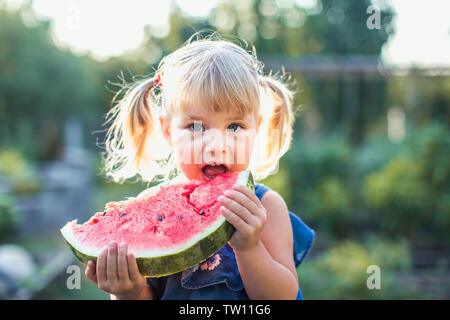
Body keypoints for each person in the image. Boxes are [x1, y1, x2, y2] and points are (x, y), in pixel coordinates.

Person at [85, 34, 315, 300]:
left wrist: (250, 249)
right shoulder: (156, 213)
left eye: (235, 127)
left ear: (257, 129)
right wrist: (128, 292)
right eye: (196, 127)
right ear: (168, 131)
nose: (217, 145)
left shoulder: (266, 207)